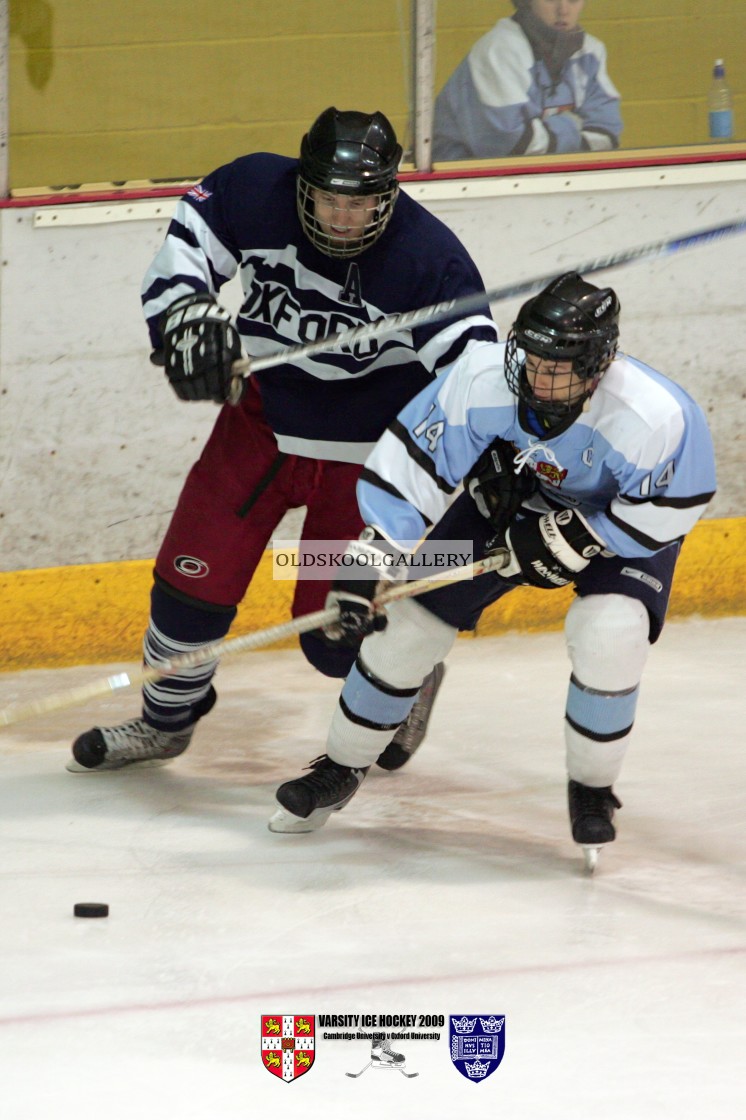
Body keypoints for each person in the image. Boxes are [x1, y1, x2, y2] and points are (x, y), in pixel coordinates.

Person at [66, 107, 497, 774]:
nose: (344, 219)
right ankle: (165, 723)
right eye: (329, 199)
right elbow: (184, 252)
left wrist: (485, 457)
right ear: (304, 184)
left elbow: (475, 378)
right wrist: (185, 322)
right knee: (190, 586)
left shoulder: (428, 259)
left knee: (332, 629)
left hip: (363, 460)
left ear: (389, 195)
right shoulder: (251, 192)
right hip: (258, 429)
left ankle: (410, 676)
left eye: (363, 204)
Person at [269, 273, 716, 869]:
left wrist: (579, 536)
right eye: (532, 359)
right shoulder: (483, 377)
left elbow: (676, 503)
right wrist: (370, 556)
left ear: (599, 365)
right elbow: (416, 466)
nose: (539, 376)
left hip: (614, 529)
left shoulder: (653, 415)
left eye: (559, 366)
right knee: (408, 625)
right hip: (504, 510)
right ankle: (342, 766)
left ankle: (592, 790)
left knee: (611, 632)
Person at [433, 0, 622, 161]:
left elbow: (608, 136)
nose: (563, 10)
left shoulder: (592, 52)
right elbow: (510, 146)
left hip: (549, 181)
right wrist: (573, 126)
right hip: (460, 184)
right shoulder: (499, 49)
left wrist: (542, 133)